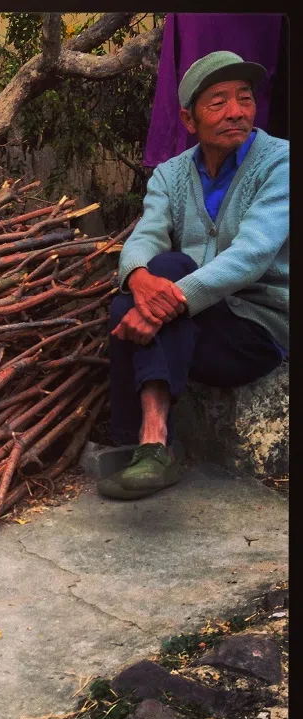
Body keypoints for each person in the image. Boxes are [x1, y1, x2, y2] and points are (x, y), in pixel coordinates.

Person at [98, 50, 288, 500]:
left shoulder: (281, 162)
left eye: (245, 98)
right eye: (218, 101)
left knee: (160, 285)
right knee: (142, 286)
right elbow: (145, 236)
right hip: (198, 327)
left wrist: (167, 299)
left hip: (256, 331)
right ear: (189, 119)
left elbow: (252, 253)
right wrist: (138, 278)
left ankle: (133, 438)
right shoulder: (170, 175)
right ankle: (153, 442)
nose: (236, 111)